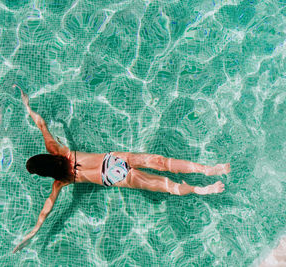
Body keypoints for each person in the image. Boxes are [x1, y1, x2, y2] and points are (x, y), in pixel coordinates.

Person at [12, 85, 230, 253]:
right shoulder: (58, 152)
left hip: (112, 177)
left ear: (44, 173)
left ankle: (200, 189)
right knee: (162, 162)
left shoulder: (61, 181)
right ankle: (207, 170)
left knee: (167, 187)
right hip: (114, 158)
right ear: (44, 157)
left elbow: (46, 211)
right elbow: (42, 125)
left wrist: (31, 235)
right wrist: (27, 105)